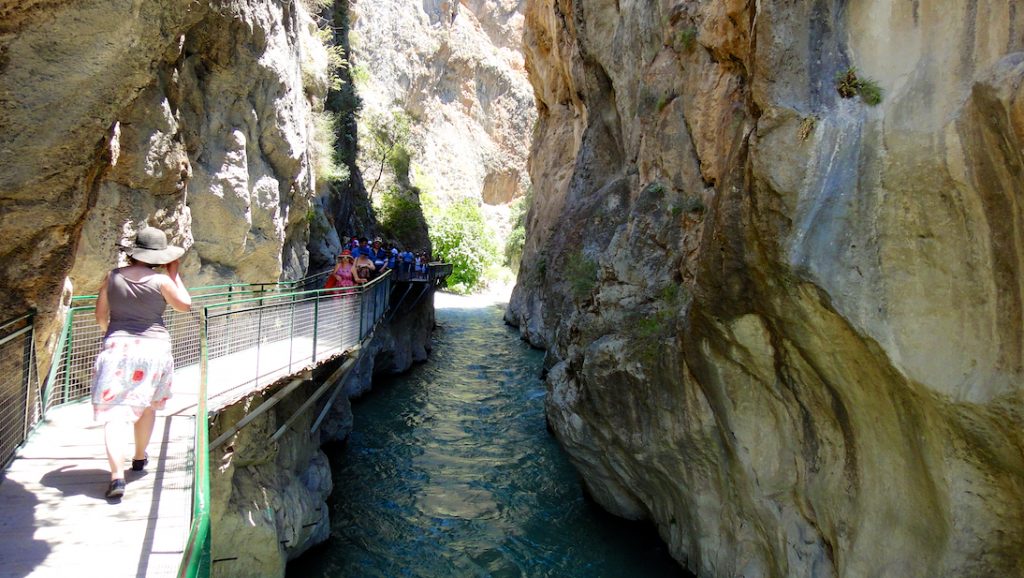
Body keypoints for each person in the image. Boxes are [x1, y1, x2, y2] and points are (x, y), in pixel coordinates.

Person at [92, 226, 191, 499]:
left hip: (117, 348)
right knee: (146, 405)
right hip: (154, 349)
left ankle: (116, 477)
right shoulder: (162, 282)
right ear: (160, 256)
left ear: (135, 253)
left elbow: (101, 315)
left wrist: (110, 334)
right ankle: (138, 458)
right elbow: (185, 305)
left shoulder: (112, 277)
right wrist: (174, 275)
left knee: (115, 414)